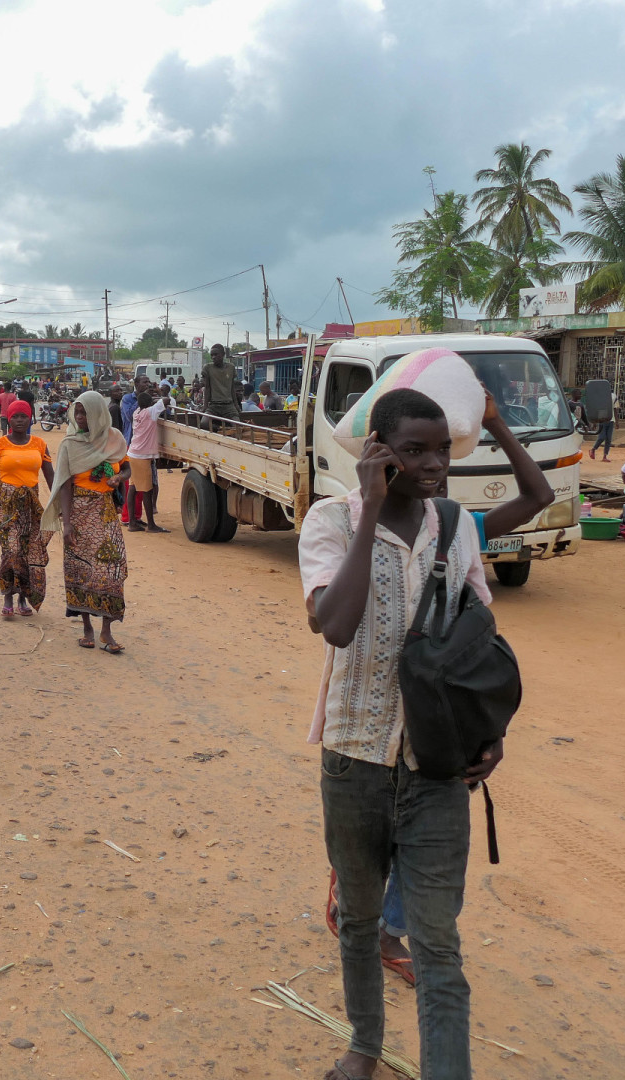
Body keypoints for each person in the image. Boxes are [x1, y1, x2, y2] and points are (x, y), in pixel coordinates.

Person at [300, 387, 552, 1080]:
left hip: (438, 766)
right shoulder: (330, 520)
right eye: (414, 451)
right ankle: (365, 1045)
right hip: (355, 760)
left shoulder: (456, 526)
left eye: (442, 449)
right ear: (378, 451)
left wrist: (490, 731)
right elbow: (335, 625)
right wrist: (371, 508)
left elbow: (475, 644)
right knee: (358, 919)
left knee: (438, 940)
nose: (435, 464)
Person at [45, 390, 130, 654]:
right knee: (80, 569)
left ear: (97, 414)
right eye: (77, 412)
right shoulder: (70, 444)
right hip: (79, 513)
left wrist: (119, 478)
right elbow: (65, 485)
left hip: (105, 514)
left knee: (111, 569)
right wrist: (67, 523)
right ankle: (87, 630)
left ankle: (106, 630)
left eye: (85, 412)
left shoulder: (114, 439)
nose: (80, 417)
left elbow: (127, 467)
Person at [0, 400, 54, 617]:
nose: (19, 420)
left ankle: (22, 597)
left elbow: (51, 477)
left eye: (24, 416)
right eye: (15, 417)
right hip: (6, 505)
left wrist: (57, 505)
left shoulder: (40, 444)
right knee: (11, 550)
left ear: (30, 419)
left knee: (27, 551)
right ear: (8, 419)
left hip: (31, 506)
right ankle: (8, 595)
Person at [126, 381, 168, 532]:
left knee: (133, 488)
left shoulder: (136, 412)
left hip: (133, 453)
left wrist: (152, 399)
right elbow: (167, 400)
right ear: (150, 403)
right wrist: (158, 392)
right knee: (147, 491)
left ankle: (132, 522)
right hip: (142, 456)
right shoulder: (151, 412)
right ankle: (151, 524)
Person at [204, 345, 238, 419]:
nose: (213, 357)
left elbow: (232, 388)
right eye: (212, 355)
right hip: (214, 405)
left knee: (236, 423)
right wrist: (205, 406)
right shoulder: (208, 368)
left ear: (223, 355)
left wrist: (236, 405)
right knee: (204, 423)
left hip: (228, 405)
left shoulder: (231, 367)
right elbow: (207, 388)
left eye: (216, 354)